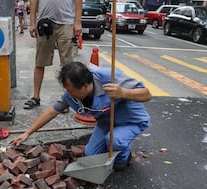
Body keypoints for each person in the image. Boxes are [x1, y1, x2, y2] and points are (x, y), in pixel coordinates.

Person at [10, 62, 152, 170]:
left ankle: (123, 159)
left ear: (85, 87)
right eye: (66, 89)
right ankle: (113, 148)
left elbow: (147, 94)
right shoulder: (71, 95)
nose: (68, 94)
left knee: (115, 141)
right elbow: (51, 112)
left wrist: (124, 93)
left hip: (130, 121)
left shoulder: (111, 78)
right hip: (106, 122)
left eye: (71, 90)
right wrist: (27, 133)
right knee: (90, 154)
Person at [23, 0, 82, 110]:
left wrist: (78, 22)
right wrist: (32, 23)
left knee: (68, 65)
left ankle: (67, 99)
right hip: (45, 22)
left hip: (66, 23)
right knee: (40, 62)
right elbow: (34, 1)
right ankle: (36, 96)